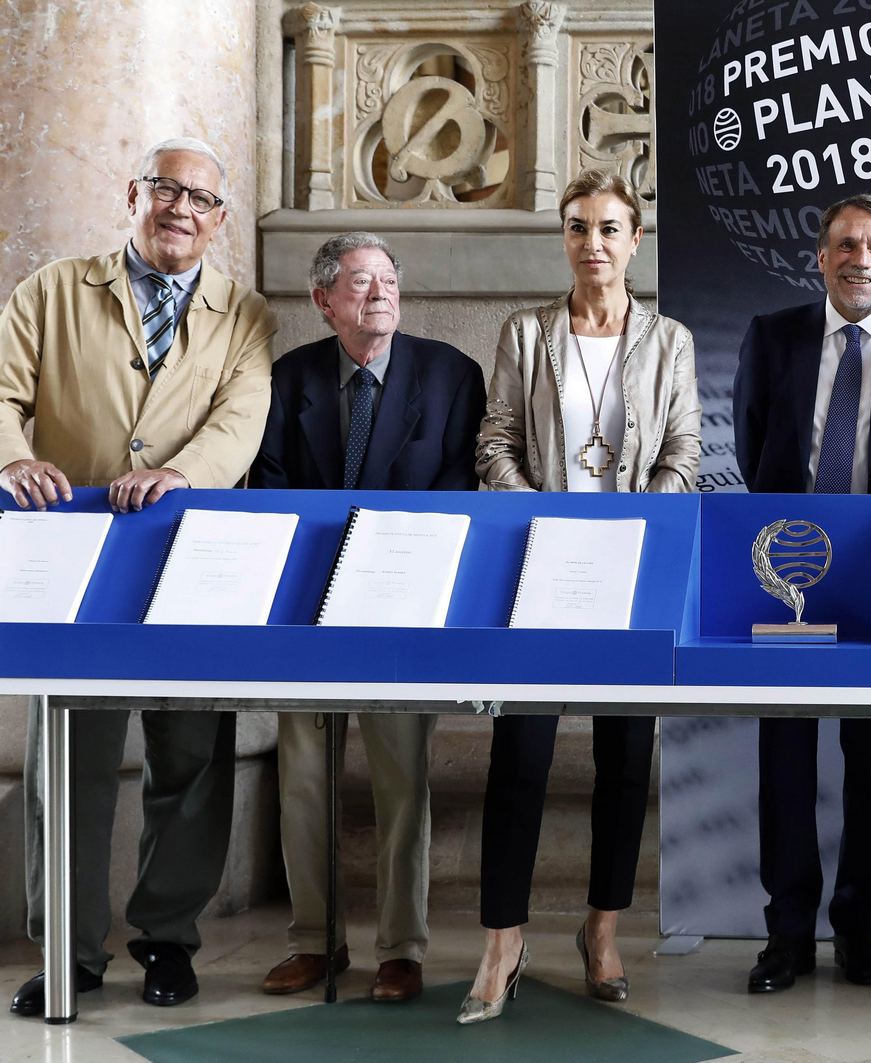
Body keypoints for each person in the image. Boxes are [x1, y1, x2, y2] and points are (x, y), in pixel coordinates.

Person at [2, 137, 274, 1016]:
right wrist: (11, 458)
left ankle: (168, 939)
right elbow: (0, 393)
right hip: (74, 553)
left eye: (201, 201)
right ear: (134, 193)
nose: (181, 211)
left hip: (189, 553)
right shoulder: (50, 289)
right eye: (166, 190)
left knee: (191, 754)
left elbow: (242, 417)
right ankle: (70, 952)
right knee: (67, 758)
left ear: (219, 221)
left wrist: (183, 473)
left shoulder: (245, 312)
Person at [460, 168, 700, 1024]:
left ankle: (602, 927)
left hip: (631, 572)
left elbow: (683, 446)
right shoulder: (525, 333)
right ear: (561, 238)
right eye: (576, 227)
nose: (592, 242)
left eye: (608, 228)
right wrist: (541, 520)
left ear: (634, 240)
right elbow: (495, 440)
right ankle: (502, 941)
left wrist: (639, 526)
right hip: (542, 570)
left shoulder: (669, 339)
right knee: (518, 756)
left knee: (625, 758)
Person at [732, 193, 871, 993]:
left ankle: (859, 928)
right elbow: (754, 445)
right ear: (821, 256)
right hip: (785, 576)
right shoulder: (773, 336)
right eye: (847, 245)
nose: (862, 259)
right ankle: (786, 933)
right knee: (784, 757)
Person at [250, 232, 484, 1003]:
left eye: (387, 279)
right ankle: (315, 942)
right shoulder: (289, 381)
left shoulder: (452, 377)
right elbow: (273, 495)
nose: (378, 292)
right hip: (309, 612)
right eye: (358, 282)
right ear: (324, 301)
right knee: (305, 779)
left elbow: (456, 494)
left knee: (402, 780)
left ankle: (401, 949)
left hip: (401, 611)